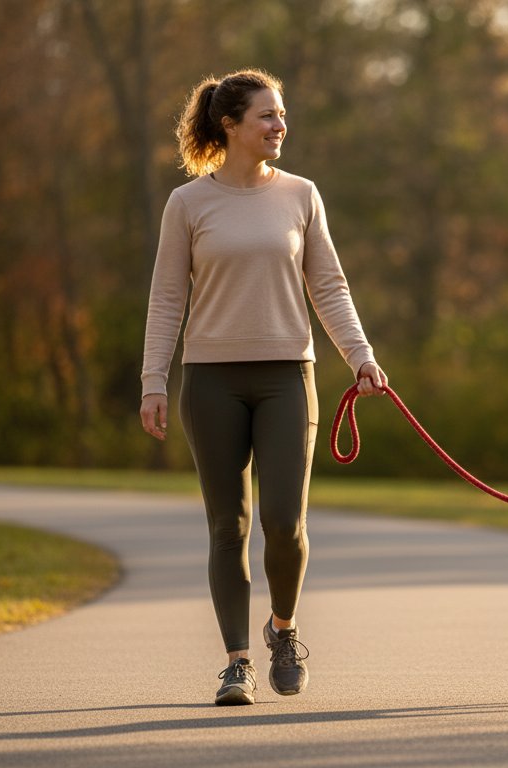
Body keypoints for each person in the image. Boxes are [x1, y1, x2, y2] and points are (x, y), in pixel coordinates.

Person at [139, 69, 387, 707]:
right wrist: (152, 382)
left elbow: (328, 286)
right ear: (230, 125)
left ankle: (282, 629)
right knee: (229, 526)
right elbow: (168, 297)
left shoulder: (302, 194)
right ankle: (236, 663)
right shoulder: (187, 203)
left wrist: (360, 355)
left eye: (282, 115)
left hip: (286, 375)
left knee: (284, 521)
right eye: (267, 117)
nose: (280, 126)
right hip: (210, 381)